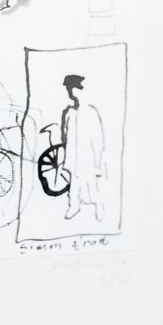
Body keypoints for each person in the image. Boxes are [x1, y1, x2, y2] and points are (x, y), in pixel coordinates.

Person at [59, 74, 106, 221]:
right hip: (73, 156)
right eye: (69, 89)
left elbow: (98, 140)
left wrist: (97, 163)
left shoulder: (91, 112)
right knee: (74, 184)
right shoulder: (69, 113)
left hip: (88, 157)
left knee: (92, 185)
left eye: (71, 88)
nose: (70, 92)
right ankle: (74, 205)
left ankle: (99, 206)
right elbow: (64, 135)